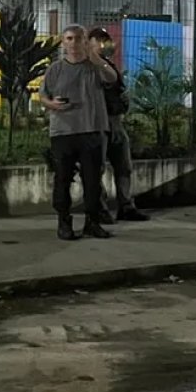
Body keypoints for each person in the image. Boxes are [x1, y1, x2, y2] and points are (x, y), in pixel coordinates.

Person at [39, 24, 117, 241]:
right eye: (69, 39)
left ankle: (93, 222)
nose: (73, 44)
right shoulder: (55, 69)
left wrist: (97, 58)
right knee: (63, 179)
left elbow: (112, 78)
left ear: (85, 42)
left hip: (92, 130)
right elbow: (42, 95)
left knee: (92, 180)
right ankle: (64, 222)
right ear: (63, 42)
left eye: (78, 39)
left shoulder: (95, 67)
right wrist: (52, 104)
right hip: (63, 132)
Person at [87, 27, 148, 224]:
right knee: (96, 169)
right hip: (96, 123)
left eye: (105, 40)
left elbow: (116, 85)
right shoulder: (87, 66)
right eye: (99, 41)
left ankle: (126, 206)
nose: (103, 45)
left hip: (115, 121)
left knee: (124, 166)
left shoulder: (107, 64)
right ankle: (100, 208)